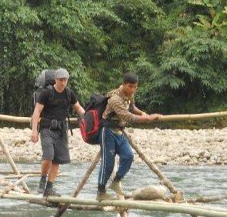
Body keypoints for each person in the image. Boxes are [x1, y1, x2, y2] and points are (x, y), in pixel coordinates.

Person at [96, 72, 163, 201]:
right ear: (123, 84)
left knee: (128, 156)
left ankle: (116, 182)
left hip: (119, 131)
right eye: (130, 86)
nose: (132, 89)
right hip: (108, 131)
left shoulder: (129, 95)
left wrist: (143, 113)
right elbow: (127, 116)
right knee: (108, 164)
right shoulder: (115, 98)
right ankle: (101, 192)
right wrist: (148, 118)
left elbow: (131, 107)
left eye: (135, 87)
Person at [30, 68, 85, 197]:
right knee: (48, 156)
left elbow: (78, 108)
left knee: (57, 160)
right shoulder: (46, 93)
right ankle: (42, 180)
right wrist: (34, 131)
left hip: (61, 130)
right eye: (61, 79)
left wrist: (88, 118)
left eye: (65, 79)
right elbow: (37, 111)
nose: (63, 82)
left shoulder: (69, 93)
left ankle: (49, 187)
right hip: (47, 129)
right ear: (55, 79)